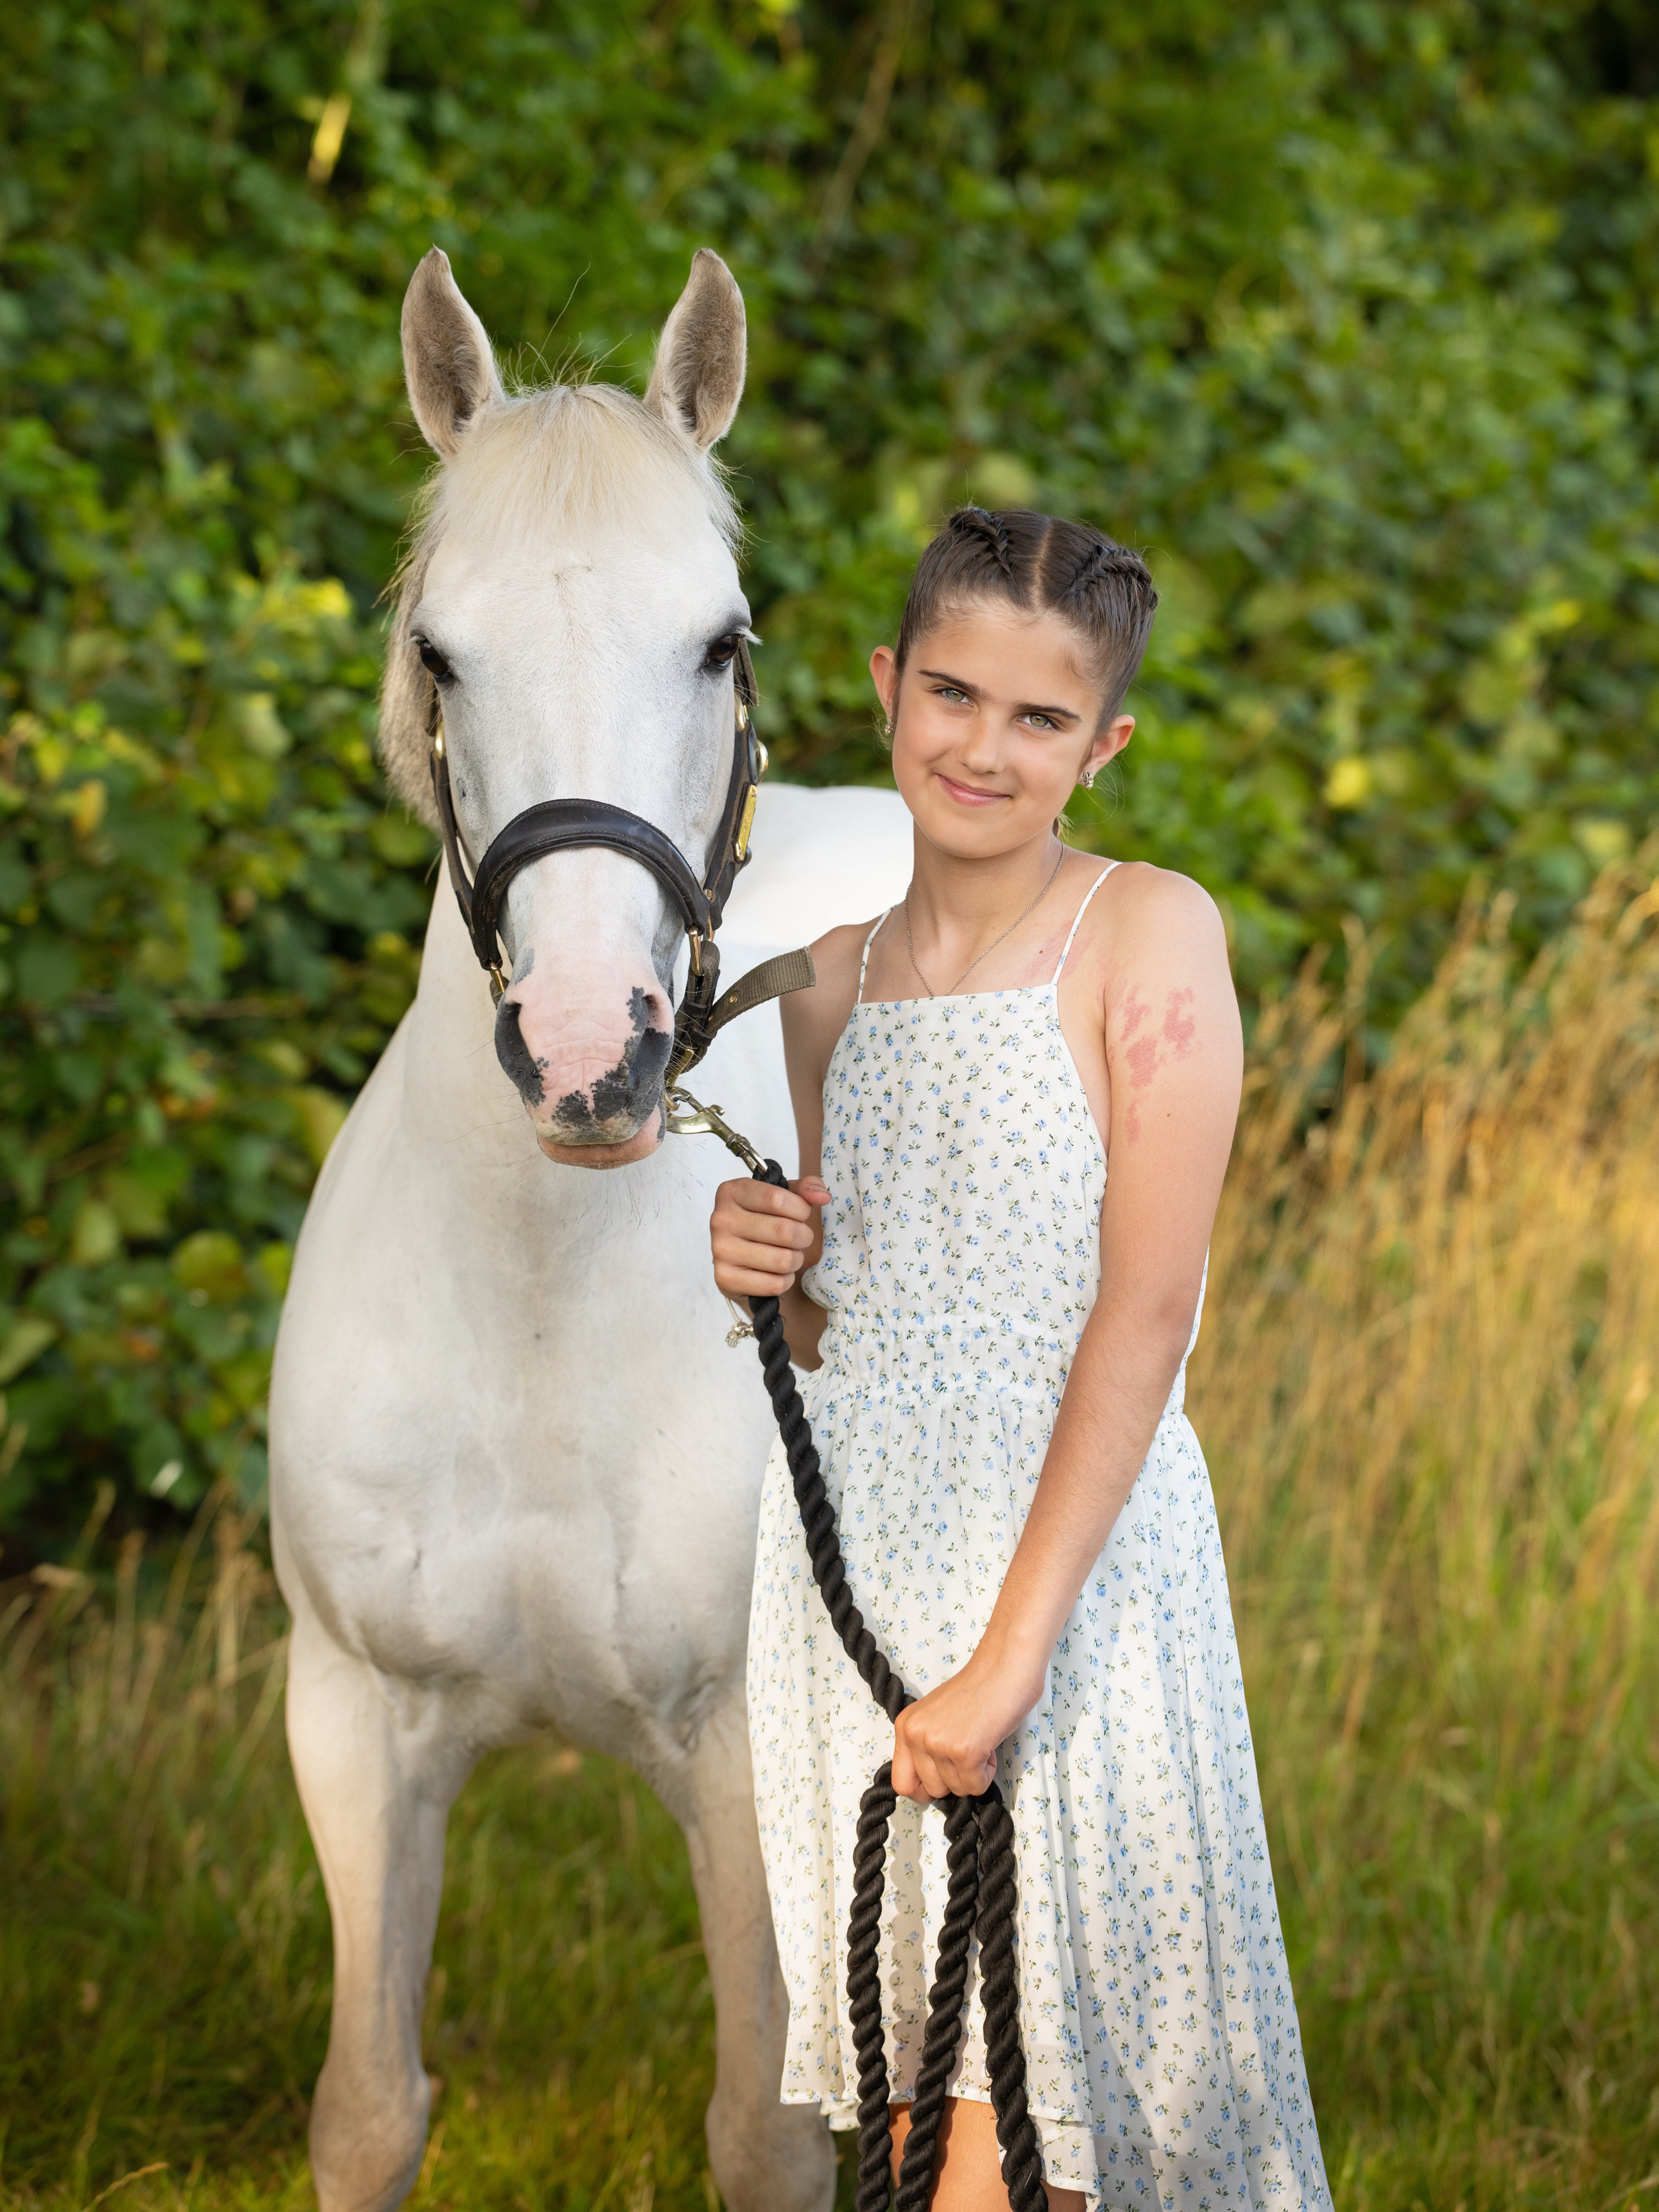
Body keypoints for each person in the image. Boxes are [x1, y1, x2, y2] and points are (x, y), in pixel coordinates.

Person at [709, 506, 1329, 2211]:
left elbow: (1146, 1311)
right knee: (920, 2108)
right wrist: (766, 1274)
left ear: (1104, 745)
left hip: (1067, 1588)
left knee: (1044, 2103)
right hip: (861, 1588)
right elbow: (848, 1326)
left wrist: (1009, 1659)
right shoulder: (829, 987)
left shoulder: (1144, 936)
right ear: (889, 686)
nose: (985, 746)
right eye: (956, 695)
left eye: (1040, 717)